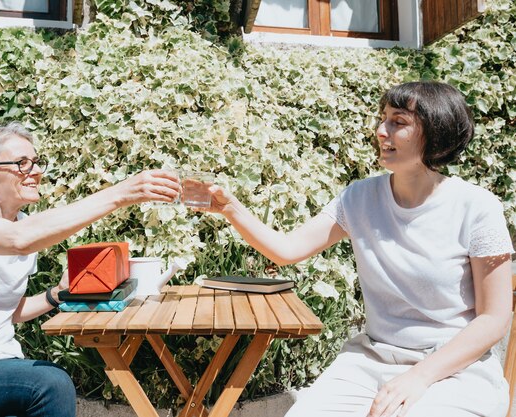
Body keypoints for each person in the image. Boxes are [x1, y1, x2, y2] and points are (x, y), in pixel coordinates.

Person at [201, 81, 513, 417]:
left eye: (399, 122)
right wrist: (231, 209)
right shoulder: (359, 197)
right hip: (372, 360)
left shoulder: (477, 207)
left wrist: (419, 377)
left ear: (435, 132)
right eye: (382, 119)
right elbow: (287, 249)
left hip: (454, 368)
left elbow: (494, 318)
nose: (381, 131)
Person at [0, 123, 181, 417]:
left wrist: (56, 294)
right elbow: (16, 240)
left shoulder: (23, 223)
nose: (35, 171)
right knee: (50, 382)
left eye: (36, 162)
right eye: (21, 163)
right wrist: (120, 194)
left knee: (43, 385)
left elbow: (8, 311)